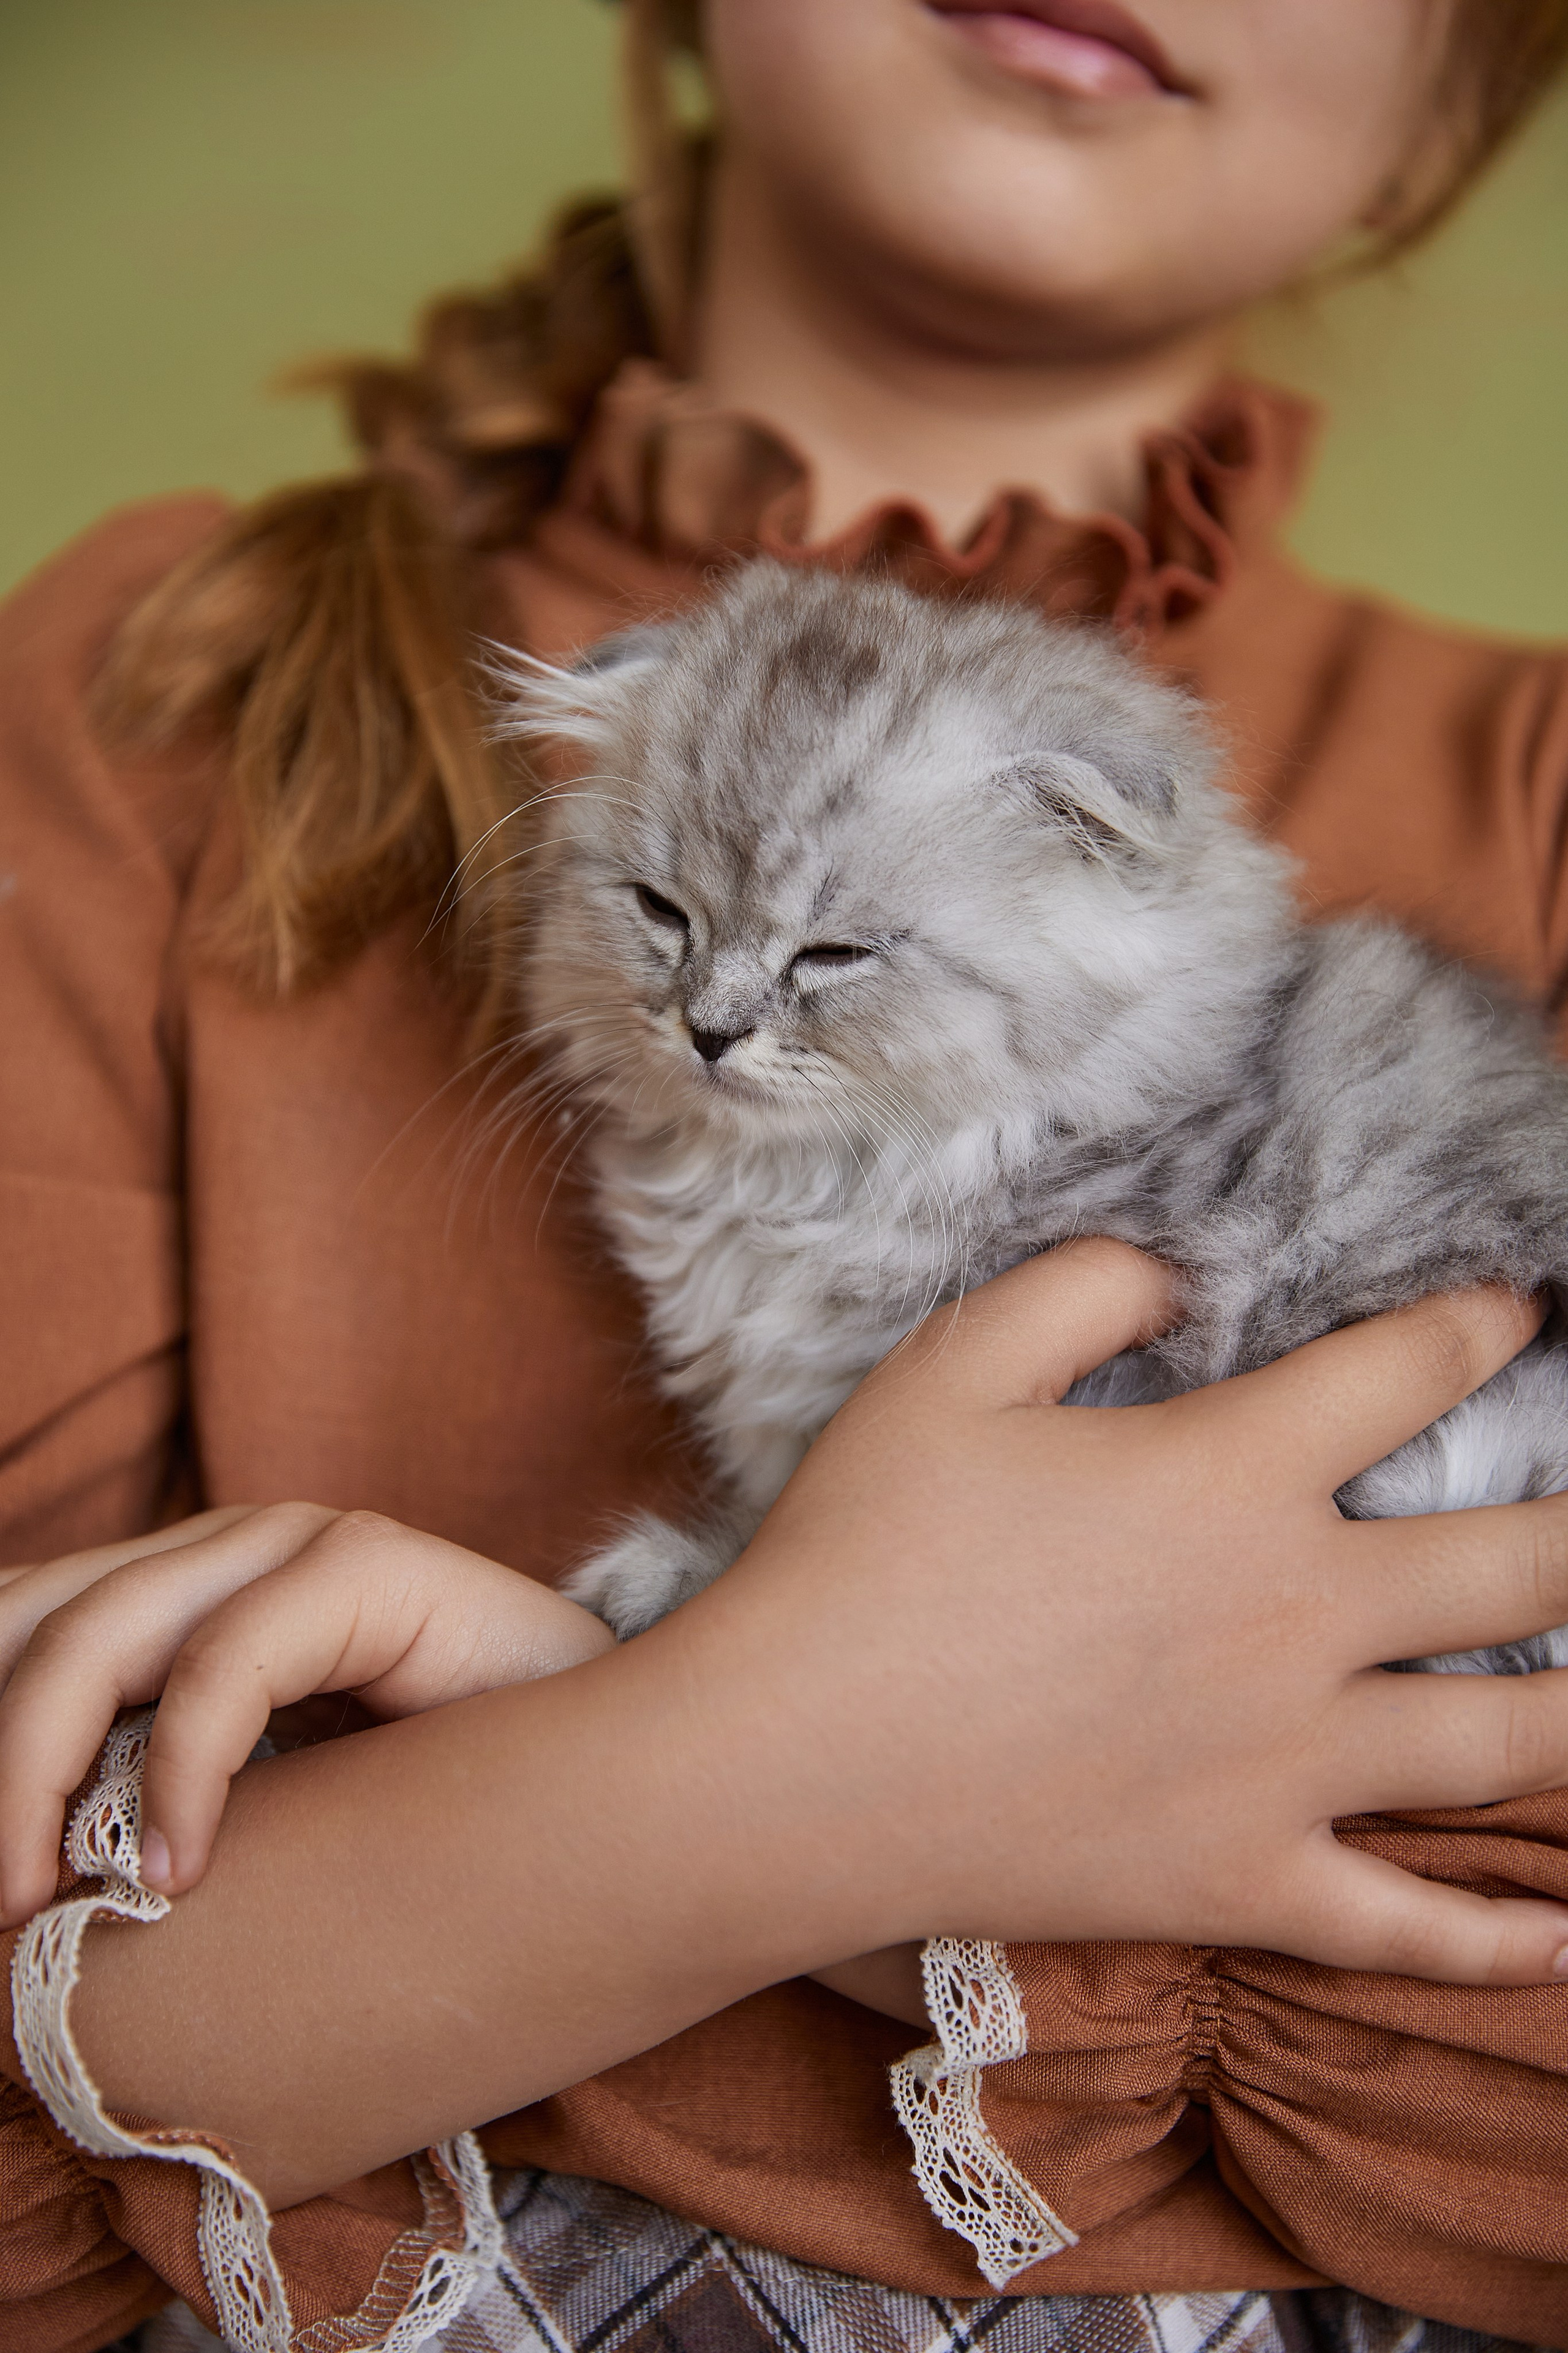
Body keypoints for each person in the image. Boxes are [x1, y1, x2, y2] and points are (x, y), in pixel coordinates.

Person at [4, 2, 1568, 2347]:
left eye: (830, 953)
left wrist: (640, 1780)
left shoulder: (1522, 790)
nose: (724, 1024)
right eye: (659, 925)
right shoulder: (169, 700)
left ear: (1463, 98)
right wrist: (745, 1765)